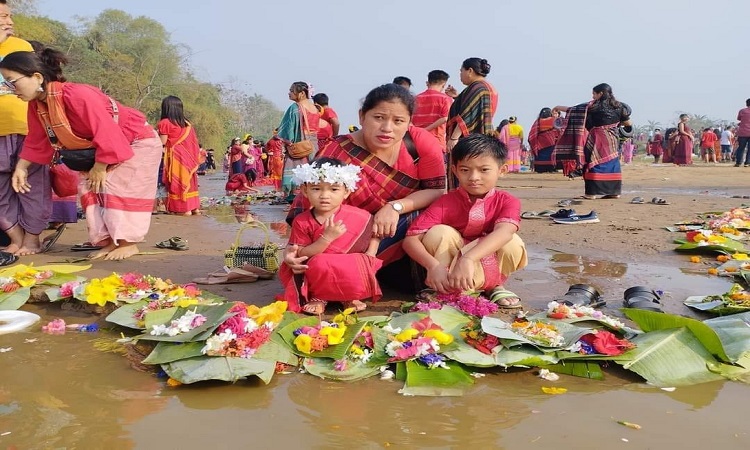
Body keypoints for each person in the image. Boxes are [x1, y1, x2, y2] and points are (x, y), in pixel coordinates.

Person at [0, 48, 162, 260]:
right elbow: (37, 140)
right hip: (104, 150)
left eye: (13, 82)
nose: (10, 89)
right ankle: (110, 241)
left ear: (37, 77)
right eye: (5, 83)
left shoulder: (77, 95)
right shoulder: (37, 105)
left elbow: (106, 131)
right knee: (88, 188)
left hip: (137, 142)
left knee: (116, 187)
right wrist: (21, 168)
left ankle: (128, 243)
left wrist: (100, 167)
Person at [284, 84, 446, 284]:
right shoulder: (336, 151)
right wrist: (293, 250)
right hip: (347, 235)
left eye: (398, 121)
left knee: (434, 221)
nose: (387, 128)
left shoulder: (420, 142)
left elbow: (436, 191)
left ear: (409, 123)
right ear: (362, 116)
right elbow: (310, 206)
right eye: (378, 118)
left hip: (401, 230)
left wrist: (394, 207)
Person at [403, 134, 527, 308]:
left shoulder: (508, 201)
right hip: (451, 269)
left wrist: (468, 258)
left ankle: (494, 286)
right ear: (454, 171)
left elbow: (504, 231)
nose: (473, 177)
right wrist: (433, 266)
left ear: (502, 170)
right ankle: (449, 287)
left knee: (512, 240)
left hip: (484, 261)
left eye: (484, 170)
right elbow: (411, 239)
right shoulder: (445, 202)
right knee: (439, 233)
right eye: (465, 170)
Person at [280, 157, 382, 315]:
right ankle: (319, 297)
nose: (324, 195)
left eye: (334, 189)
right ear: (305, 191)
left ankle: (350, 297)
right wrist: (326, 239)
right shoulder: (302, 220)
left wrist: (370, 255)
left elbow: (375, 235)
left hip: (350, 268)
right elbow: (301, 253)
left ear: (346, 191)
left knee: (358, 262)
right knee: (319, 262)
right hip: (319, 270)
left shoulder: (362, 216)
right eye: (316, 189)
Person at [0, 2, 43, 256]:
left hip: (26, 128)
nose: (9, 21)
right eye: (3, 16)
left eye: (10, 16)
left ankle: (32, 239)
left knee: (31, 186)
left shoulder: (21, 46)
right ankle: (14, 236)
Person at [552, 83, 632, 199]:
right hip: (612, 138)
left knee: (592, 161)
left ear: (601, 93)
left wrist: (558, 107)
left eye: (594, 94)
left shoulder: (592, 106)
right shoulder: (619, 107)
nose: (593, 97)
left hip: (597, 137)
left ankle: (591, 193)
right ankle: (614, 192)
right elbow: (628, 123)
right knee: (612, 161)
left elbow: (572, 110)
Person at [157, 95, 201, 216]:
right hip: (189, 158)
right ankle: (194, 208)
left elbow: (162, 142)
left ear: (166, 108)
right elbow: (194, 143)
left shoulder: (164, 123)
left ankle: (183, 209)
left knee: (177, 182)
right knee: (190, 182)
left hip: (175, 158)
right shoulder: (187, 124)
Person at [278, 81, 320, 201]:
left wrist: (287, 142)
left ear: (301, 93)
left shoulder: (295, 108)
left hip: (299, 143)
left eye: (291, 90)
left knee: (296, 170)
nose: (289, 93)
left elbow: (288, 129)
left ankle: (295, 196)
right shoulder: (315, 108)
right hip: (313, 144)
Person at [445, 57, 498, 152]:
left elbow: (467, 114)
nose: (460, 75)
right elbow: (476, 108)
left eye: (461, 71)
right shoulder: (487, 86)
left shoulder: (477, 87)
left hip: (470, 140)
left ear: (470, 71)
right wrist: (457, 97)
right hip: (482, 138)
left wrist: (454, 138)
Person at [412, 70, 453, 149]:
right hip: (436, 141)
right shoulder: (445, 99)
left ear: (428, 82)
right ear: (443, 84)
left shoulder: (415, 98)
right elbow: (445, 118)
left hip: (415, 140)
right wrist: (426, 130)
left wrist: (420, 131)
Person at [528, 107, 562, 173]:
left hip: (541, 142)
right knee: (551, 155)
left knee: (541, 155)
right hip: (552, 141)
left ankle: (540, 168)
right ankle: (552, 168)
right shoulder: (554, 120)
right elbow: (560, 130)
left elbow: (533, 133)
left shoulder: (538, 121)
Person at [735, 99, 750, 167]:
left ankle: (738, 162)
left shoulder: (742, 111)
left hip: (743, 132)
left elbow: (739, 118)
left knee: (741, 148)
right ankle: (747, 162)